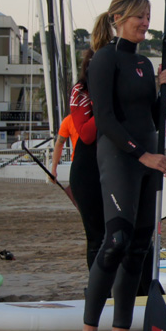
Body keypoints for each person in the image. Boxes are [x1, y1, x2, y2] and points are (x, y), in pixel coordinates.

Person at [77, 0, 166, 331]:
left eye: (148, 16)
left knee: (138, 246)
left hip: (150, 159)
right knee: (116, 240)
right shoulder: (104, 59)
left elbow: (152, 120)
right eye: (139, 16)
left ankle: (121, 328)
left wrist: (165, 91)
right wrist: (141, 155)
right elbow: (105, 119)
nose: (145, 23)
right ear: (118, 18)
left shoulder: (145, 65)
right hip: (121, 157)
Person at [69, 49, 106, 271]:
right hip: (88, 169)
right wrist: (105, 104)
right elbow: (86, 134)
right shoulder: (81, 90)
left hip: (118, 166)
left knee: (127, 235)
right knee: (97, 237)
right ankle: (97, 287)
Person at [50, 113, 79, 179]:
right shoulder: (69, 120)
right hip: (78, 162)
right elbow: (59, 144)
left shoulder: (95, 117)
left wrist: (54, 169)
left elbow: (59, 144)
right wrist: (54, 169)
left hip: (95, 162)